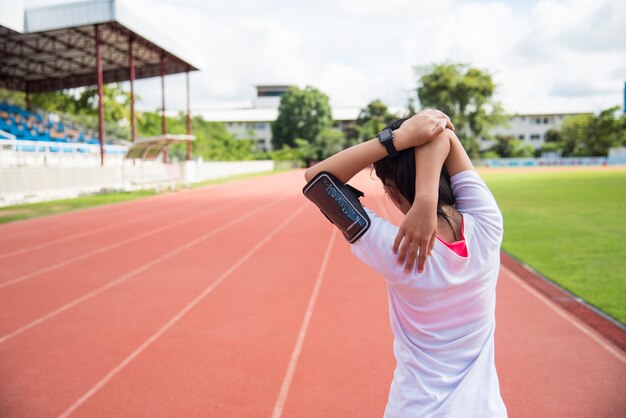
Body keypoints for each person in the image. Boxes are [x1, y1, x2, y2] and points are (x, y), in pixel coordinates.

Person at [304, 109, 507, 417]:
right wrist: (427, 197)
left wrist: (394, 141)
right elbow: (444, 132)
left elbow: (317, 180)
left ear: (394, 191)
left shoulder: (398, 250)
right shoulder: (489, 224)